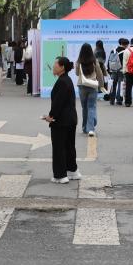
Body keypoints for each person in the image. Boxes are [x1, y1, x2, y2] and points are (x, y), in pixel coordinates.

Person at [45, 56, 80, 184]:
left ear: (62, 67)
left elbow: (58, 103)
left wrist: (50, 116)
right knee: (69, 146)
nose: (53, 67)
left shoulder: (62, 81)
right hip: (70, 119)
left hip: (61, 121)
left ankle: (60, 175)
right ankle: (72, 170)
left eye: (56, 65)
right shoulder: (67, 80)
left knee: (59, 148)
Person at [76, 43, 104, 136]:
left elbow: (77, 73)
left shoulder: (79, 61)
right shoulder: (94, 61)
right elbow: (99, 73)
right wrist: (101, 85)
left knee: (84, 108)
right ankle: (91, 129)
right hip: (93, 86)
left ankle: (85, 128)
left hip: (82, 86)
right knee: (91, 107)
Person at [105, 39, 125, 105]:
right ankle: (119, 100)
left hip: (113, 70)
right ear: (126, 44)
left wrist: (109, 69)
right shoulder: (125, 51)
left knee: (112, 85)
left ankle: (111, 100)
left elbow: (109, 60)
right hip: (121, 70)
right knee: (120, 85)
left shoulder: (113, 50)